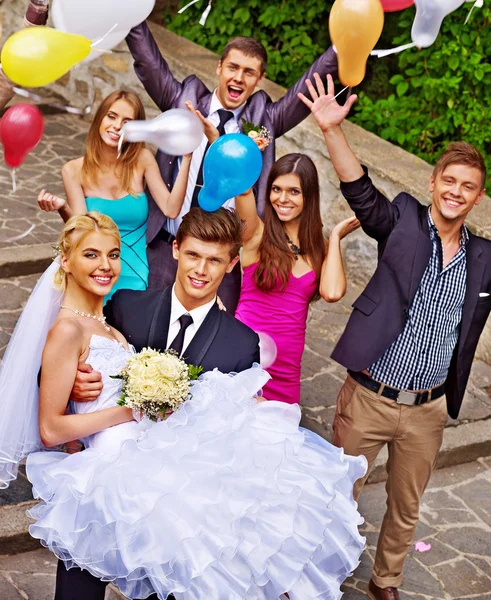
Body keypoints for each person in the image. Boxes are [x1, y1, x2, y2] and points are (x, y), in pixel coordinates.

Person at [0, 210, 367, 600]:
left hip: (178, 511)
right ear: (176, 249)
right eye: (193, 255)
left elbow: (236, 429)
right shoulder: (126, 307)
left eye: (214, 260)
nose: (201, 270)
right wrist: (74, 386)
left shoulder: (240, 344)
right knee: (80, 573)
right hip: (107, 484)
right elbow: (70, 357)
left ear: (231, 264)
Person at [298, 73, 491, 600]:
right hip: (370, 397)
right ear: (434, 183)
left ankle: (386, 583)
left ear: (477, 197)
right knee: (338, 494)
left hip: (428, 409)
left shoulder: (484, 257)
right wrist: (333, 132)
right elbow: (360, 190)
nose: (455, 192)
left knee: (407, 506)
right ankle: (314, 574)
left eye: (468, 186)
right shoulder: (403, 218)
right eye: (448, 181)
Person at [125, 20, 339, 312]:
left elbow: (304, 88)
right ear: (219, 68)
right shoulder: (183, 101)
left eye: (249, 72)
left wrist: (344, 44)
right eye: (233, 68)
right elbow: (149, 64)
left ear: (259, 79)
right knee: (147, 326)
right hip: (169, 246)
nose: (239, 77)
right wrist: (130, 16)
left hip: (222, 258)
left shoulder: (265, 121)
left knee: (207, 343)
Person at [37, 90, 191, 300]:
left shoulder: (143, 160)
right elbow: (80, 230)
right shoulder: (73, 170)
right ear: (100, 118)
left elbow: (171, 209)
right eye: (111, 116)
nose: (117, 126)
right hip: (94, 274)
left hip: (136, 275)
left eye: (127, 121)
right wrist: (63, 207)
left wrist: (187, 159)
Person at [232, 154, 359, 404]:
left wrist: (334, 238)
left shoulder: (319, 250)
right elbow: (243, 191)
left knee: (277, 438)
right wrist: (243, 150)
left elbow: (332, 293)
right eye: (276, 189)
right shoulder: (257, 234)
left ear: (309, 197)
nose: (282, 198)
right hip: (243, 359)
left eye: (294, 191)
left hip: (287, 371)